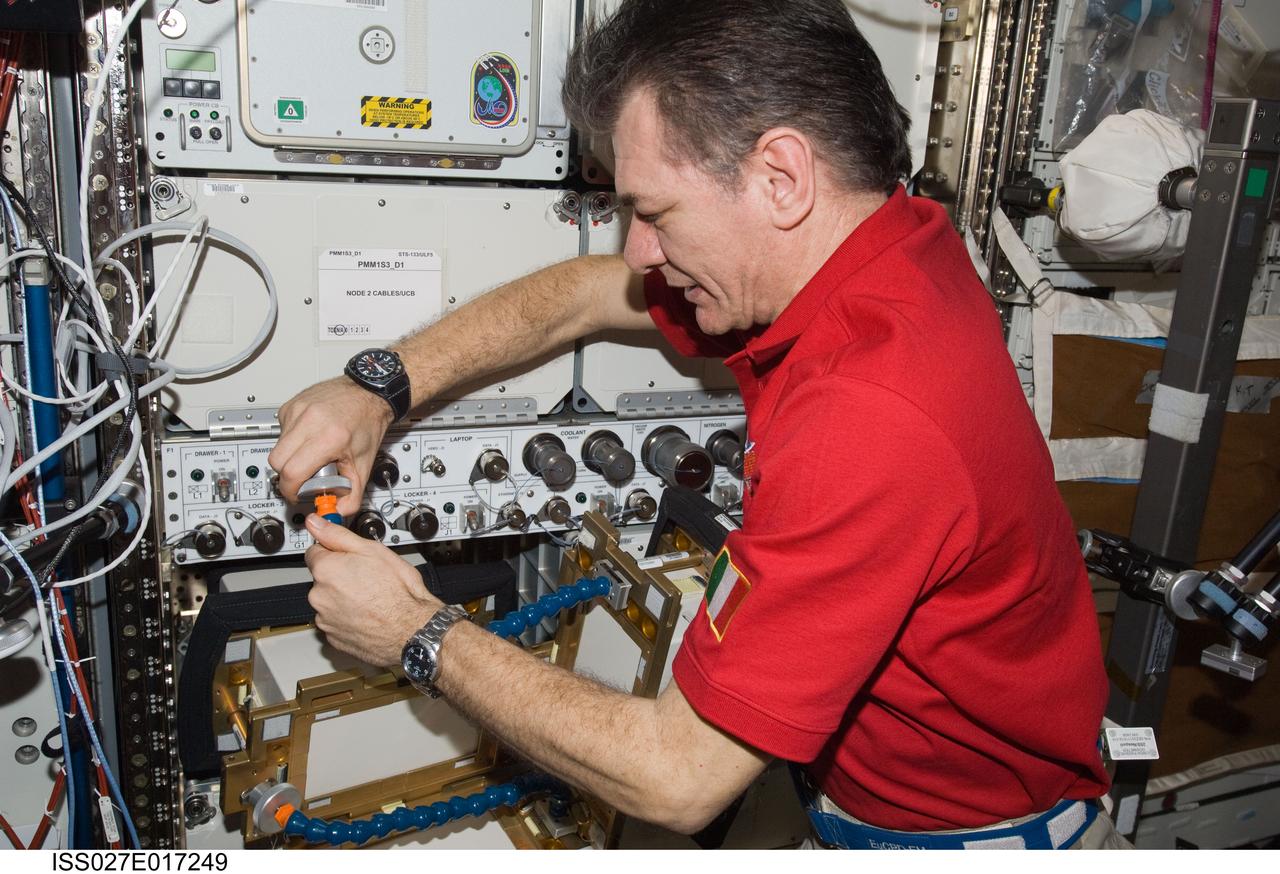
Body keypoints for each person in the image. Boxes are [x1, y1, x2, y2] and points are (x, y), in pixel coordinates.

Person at [268, 0, 1126, 849]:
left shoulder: (874, 412)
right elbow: (584, 293)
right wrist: (379, 385)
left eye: (654, 211)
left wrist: (417, 633)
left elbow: (675, 778)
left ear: (779, 177)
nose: (639, 250)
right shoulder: (885, 250)